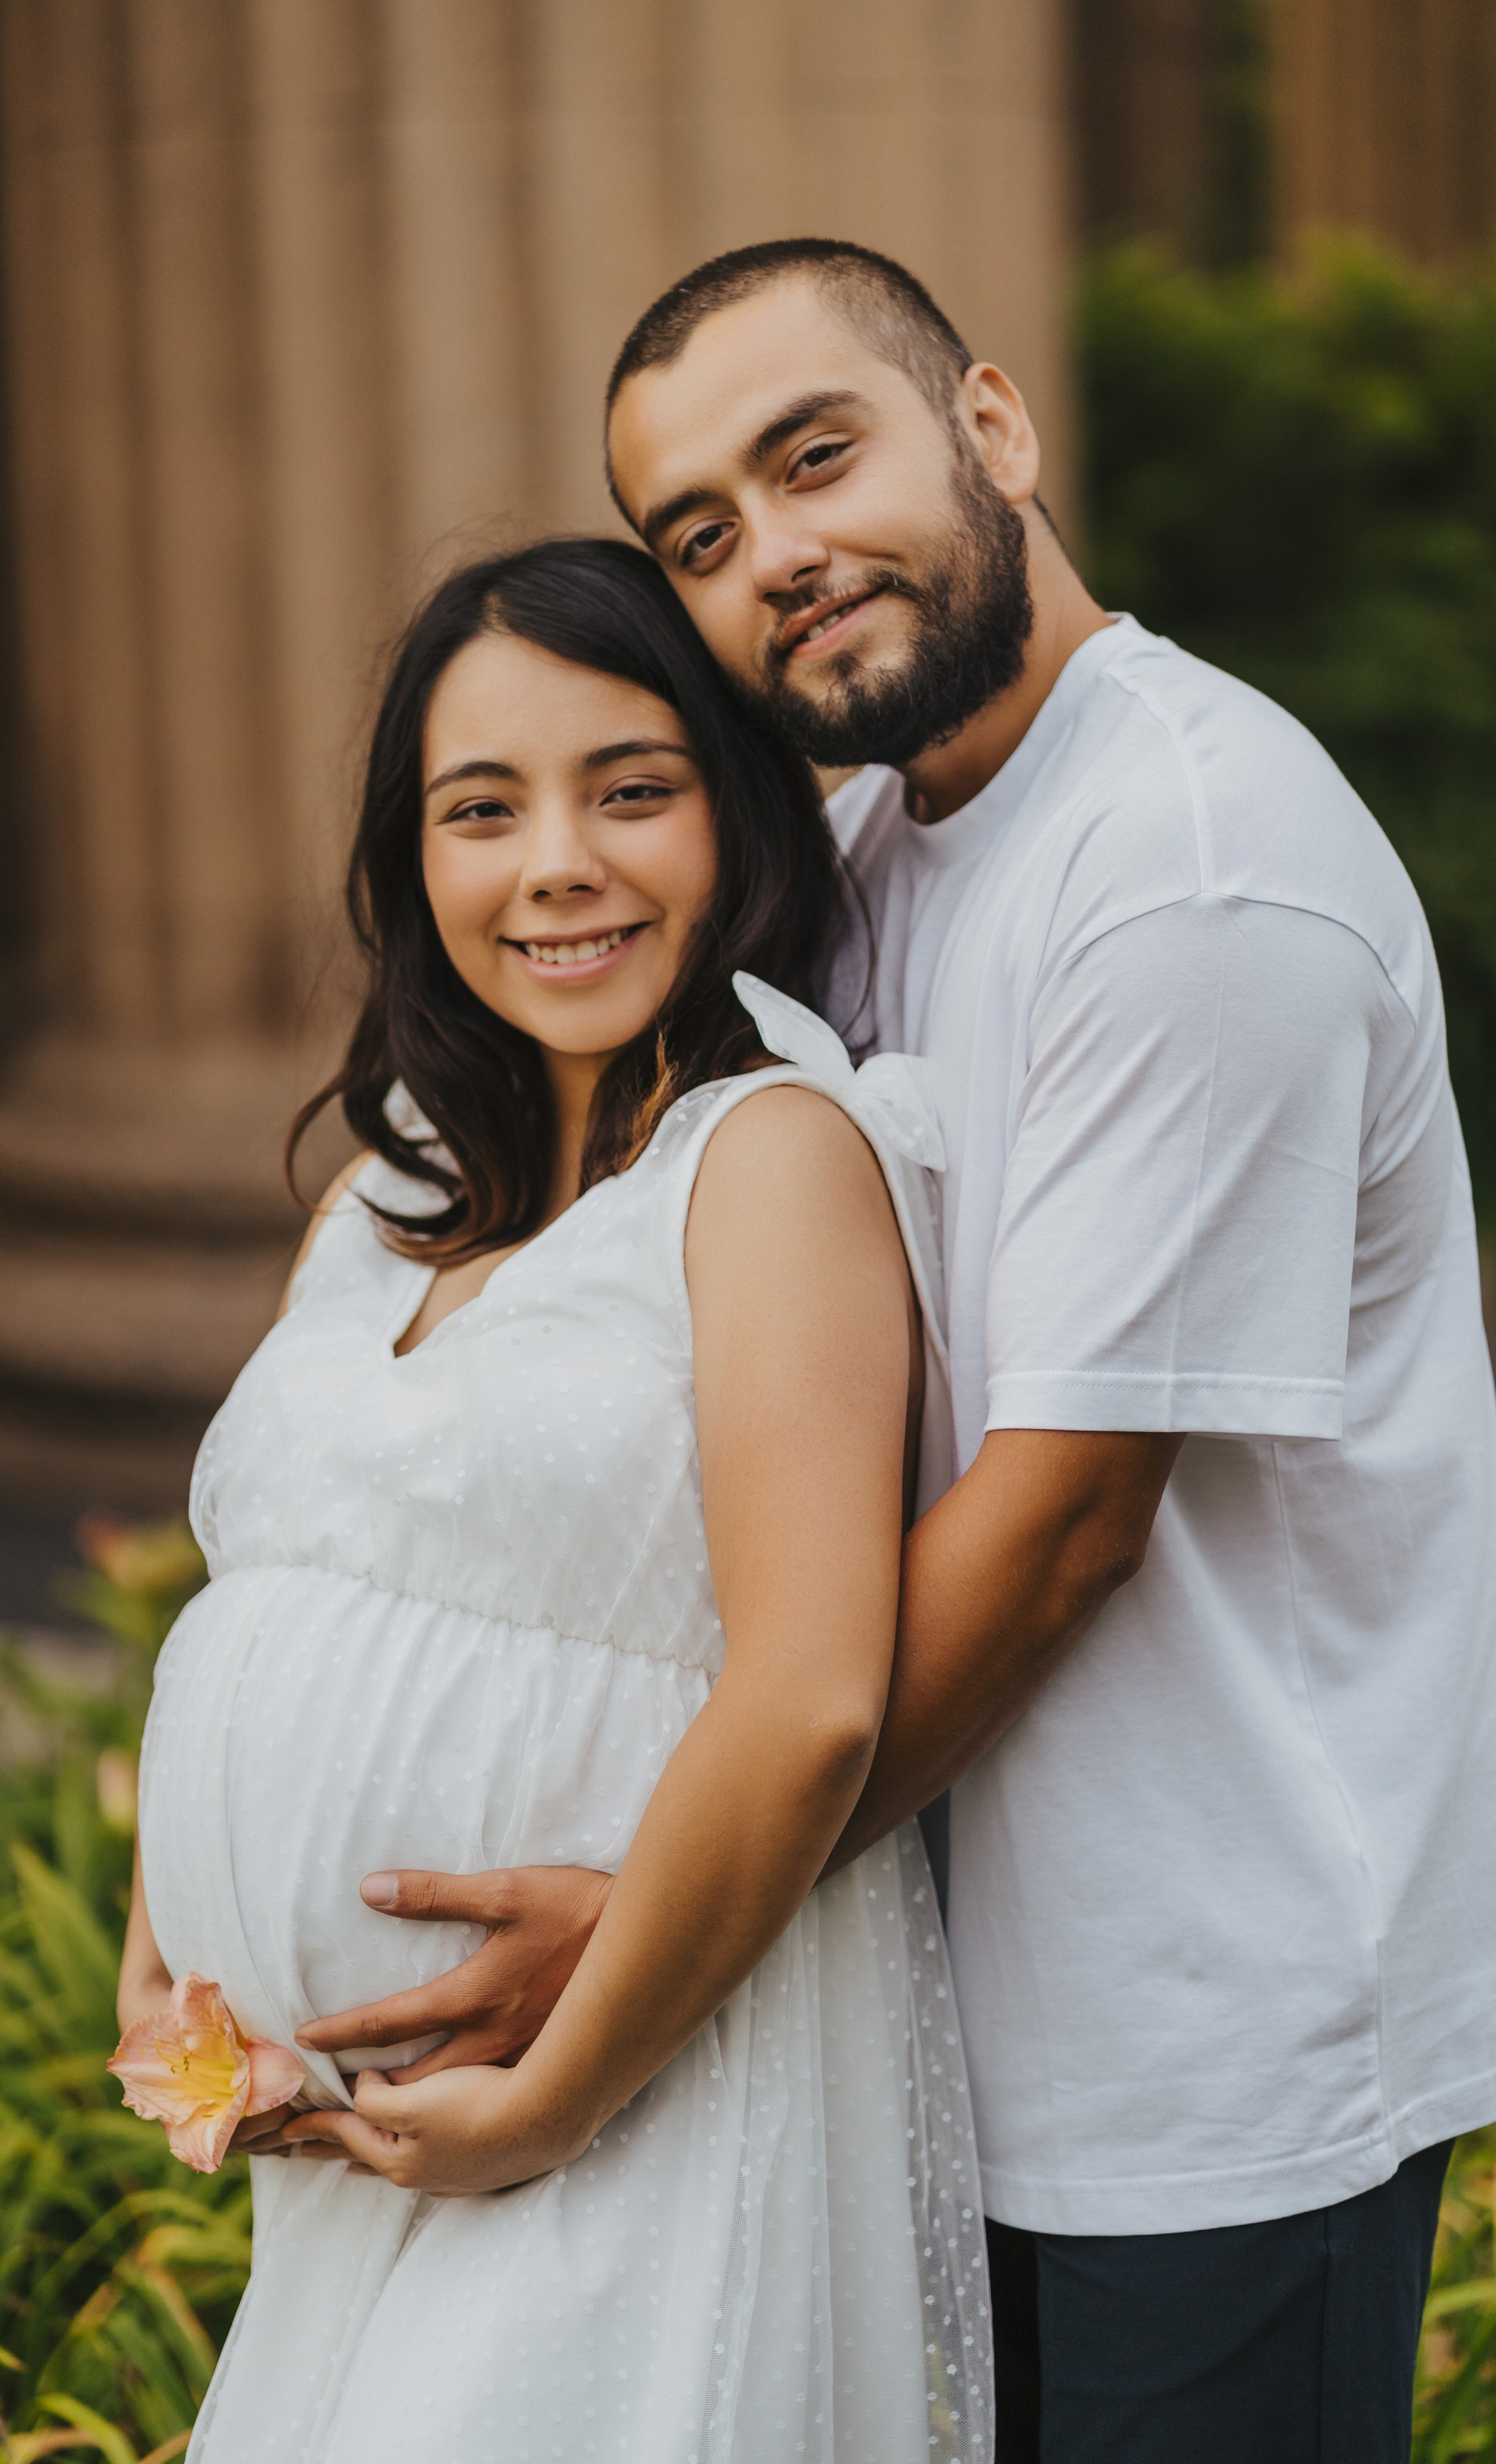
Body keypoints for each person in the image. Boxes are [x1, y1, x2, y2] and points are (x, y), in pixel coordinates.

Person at [307, 240, 1496, 2463]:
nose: (779, 556)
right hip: (932, 1995)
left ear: (997, 430)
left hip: (1207, 2045)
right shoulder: (864, 844)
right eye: (704, 534)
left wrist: (656, 1920)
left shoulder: (1193, 871)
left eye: (813, 456)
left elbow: (1063, 1527)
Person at [116, 535, 993, 2463]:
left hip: (630, 2099)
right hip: (350, 2157)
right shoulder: (390, 1188)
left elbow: (817, 1688)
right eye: (482, 809)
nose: (557, 866)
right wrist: (167, 1953)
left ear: (739, 814)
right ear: (413, 860)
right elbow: (262, 1587)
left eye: (633, 792)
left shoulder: (770, 1156)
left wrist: (555, 2098)